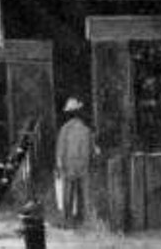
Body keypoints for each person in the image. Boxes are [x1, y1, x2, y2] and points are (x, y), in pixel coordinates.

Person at [56, 97, 95, 226]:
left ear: (68, 114)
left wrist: (60, 167)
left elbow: (60, 151)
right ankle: (86, 220)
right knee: (85, 195)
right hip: (84, 166)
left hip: (69, 166)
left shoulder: (64, 130)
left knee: (68, 194)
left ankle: (67, 221)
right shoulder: (86, 130)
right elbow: (92, 151)